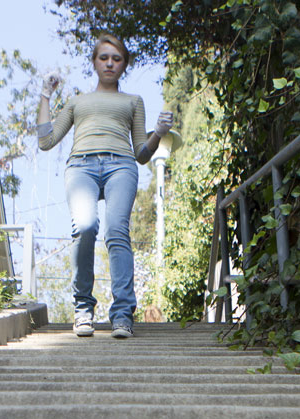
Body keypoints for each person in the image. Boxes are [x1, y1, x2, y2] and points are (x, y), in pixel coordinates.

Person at [36, 33, 173, 338]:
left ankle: (122, 314)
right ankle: (83, 309)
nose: (110, 63)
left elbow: (141, 154)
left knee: (116, 230)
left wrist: (159, 133)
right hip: (81, 165)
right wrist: (45, 95)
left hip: (121, 165)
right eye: (104, 57)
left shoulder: (133, 101)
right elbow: (46, 140)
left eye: (117, 58)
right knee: (84, 227)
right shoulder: (77, 101)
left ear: (124, 65)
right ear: (95, 62)